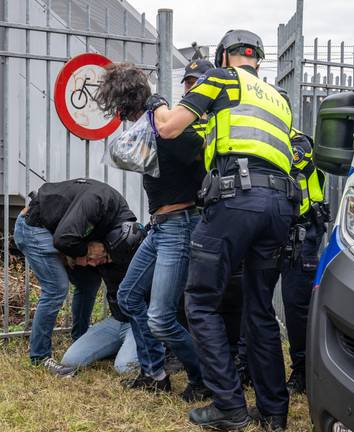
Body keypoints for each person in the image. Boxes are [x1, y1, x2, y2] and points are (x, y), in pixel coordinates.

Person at [150, 30, 298, 431]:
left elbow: (169, 128)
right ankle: (274, 413)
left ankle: (229, 406)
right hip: (280, 206)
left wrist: (158, 103)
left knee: (200, 301)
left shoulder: (222, 79)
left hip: (236, 200)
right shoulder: (279, 100)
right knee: (260, 309)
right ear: (259, 61)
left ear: (223, 57)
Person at [95, 63, 210, 403]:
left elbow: (200, 161)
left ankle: (202, 378)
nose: (122, 117)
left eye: (122, 109)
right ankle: (155, 373)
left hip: (179, 226)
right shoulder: (148, 129)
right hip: (159, 228)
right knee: (129, 296)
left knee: (160, 317)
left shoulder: (176, 130)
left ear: (128, 103)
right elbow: (122, 153)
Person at [13, 178, 144, 375]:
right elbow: (64, 239)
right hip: (35, 228)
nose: (96, 262)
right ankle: (40, 356)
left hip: (61, 233)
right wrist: (85, 252)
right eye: (101, 256)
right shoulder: (99, 201)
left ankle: (81, 338)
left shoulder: (117, 223)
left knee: (89, 282)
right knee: (56, 289)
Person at [282, 128, 328, 394]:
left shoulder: (298, 142)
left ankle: (304, 372)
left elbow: (290, 162)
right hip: (274, 228)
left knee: (297, 306)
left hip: (303, 234)